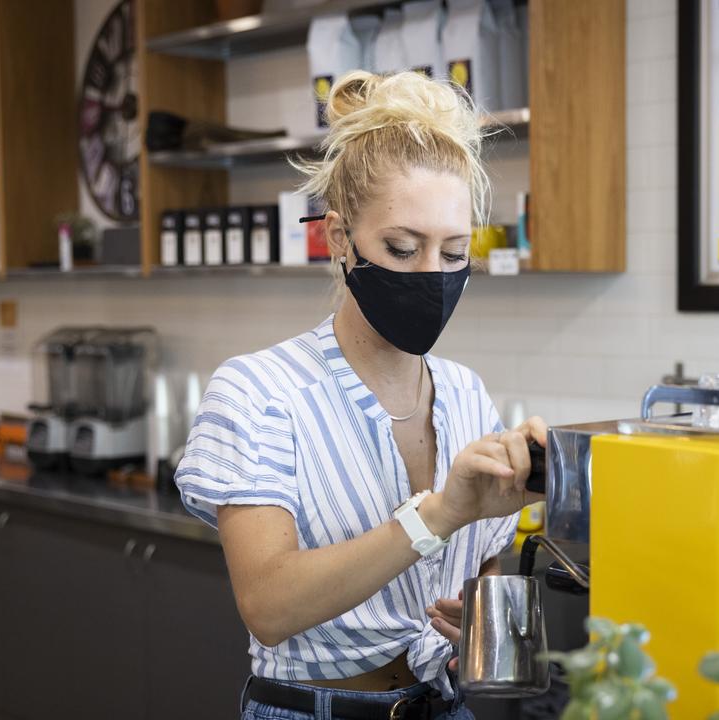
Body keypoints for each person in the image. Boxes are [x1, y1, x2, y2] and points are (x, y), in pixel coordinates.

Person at [175, 69, 545, 720]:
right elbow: (269, 606)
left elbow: (489, 558)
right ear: (341, 238)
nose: (433, 275)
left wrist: (478, 616)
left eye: (454, 252)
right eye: (403, 248)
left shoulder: (464, 393)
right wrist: (438, 515)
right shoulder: (261, 392)